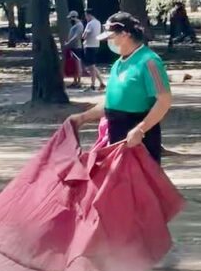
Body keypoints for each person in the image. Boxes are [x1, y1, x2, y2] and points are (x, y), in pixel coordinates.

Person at [67, 12, 172, 164]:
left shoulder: (150, 62)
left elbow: (164, 100)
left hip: (140, 142)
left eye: (111, 37)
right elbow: (113, 103)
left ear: (125, 34)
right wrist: (83, 118)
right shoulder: (118, 63)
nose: (109, 42)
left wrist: (141, 129)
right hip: (117, 140)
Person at [82, 9, 105, 91]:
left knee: (91, 67)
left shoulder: (90, 24)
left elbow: (84, 36)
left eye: (86, 16)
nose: (85, 18)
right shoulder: (98, 22)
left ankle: (92, 85)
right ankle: (101, 83)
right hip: (96, 45)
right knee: (93, 66)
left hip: (89, 45)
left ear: (89, 15)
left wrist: (83, 36)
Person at [64, 11, 85, 87]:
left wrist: (68, 43)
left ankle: (79, 82)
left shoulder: (79, 25)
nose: (69, 20)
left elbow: (76, 36)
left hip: (76, 47)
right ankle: (75, 81)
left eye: (70, 18)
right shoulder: (76, 25)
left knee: (77, 64)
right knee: (74, 65)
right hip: (72, 47)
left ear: (74, 17)